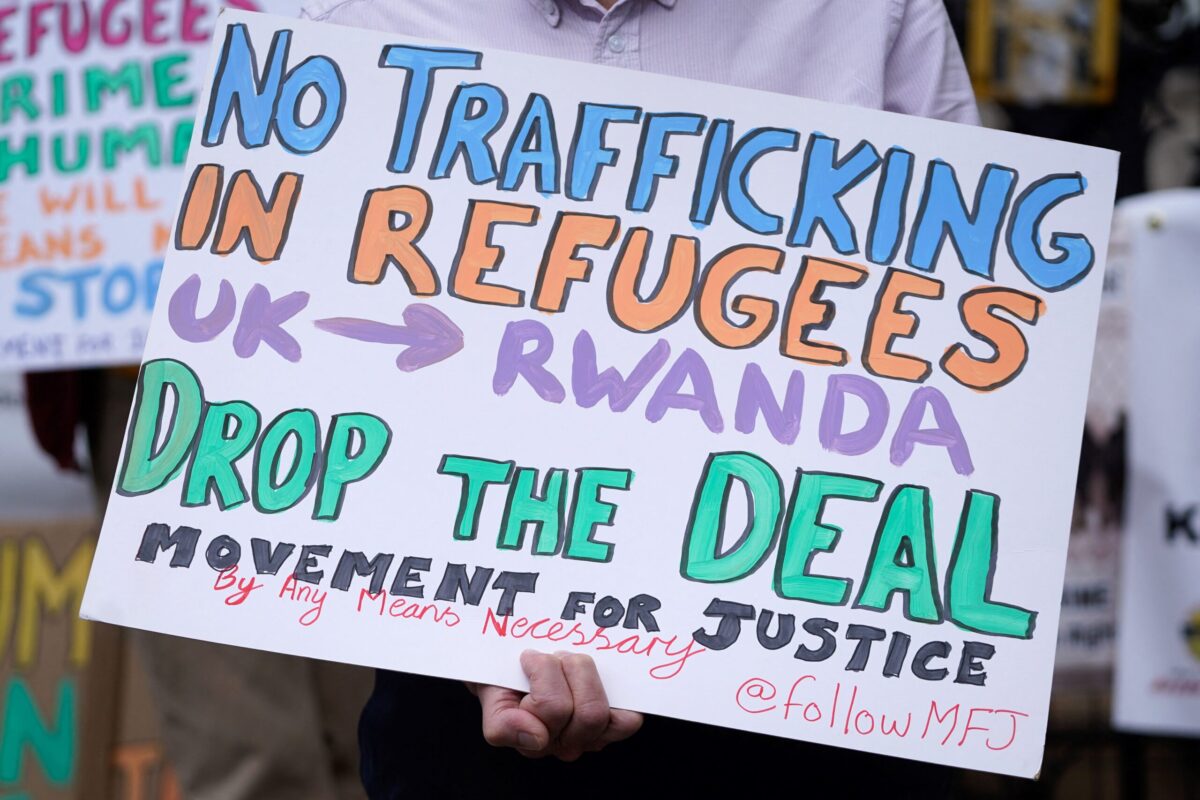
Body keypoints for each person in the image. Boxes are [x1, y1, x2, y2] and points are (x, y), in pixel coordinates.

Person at [298, 0, 980, 796]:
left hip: (820, 704)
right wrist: (467, 645)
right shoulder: (355, 15)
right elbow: (315, 363)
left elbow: (964, 327)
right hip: (467, 718)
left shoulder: (874, 11)